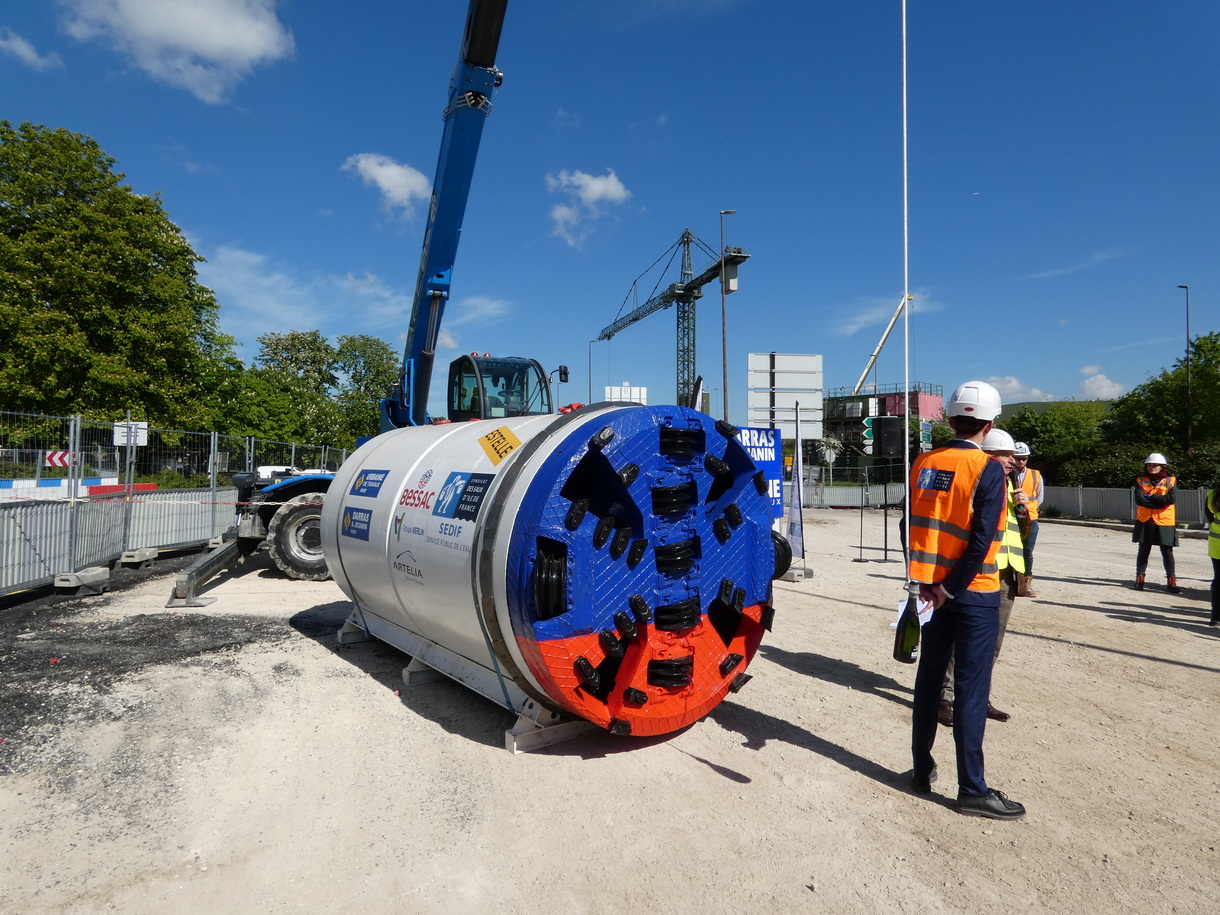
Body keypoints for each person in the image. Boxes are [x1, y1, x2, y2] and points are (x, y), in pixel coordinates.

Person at [908, 380, 1026, 821]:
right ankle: (972, 789)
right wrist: (951, 588)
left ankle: (921, 770)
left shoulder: (924, 461)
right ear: (990, 423)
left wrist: (927, 583)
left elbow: (912, 520)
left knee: (929, 679)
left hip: (930, 589)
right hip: (972, 593)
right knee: (971, 690)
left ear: (951, 418)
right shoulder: (989, 469)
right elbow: (980, 542)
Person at [938, 428, 1024, 727]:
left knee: (991, 643)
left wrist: (1027, 513)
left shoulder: (1010, 485)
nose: (1013, 461)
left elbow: (1014, 531)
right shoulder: (975, 480)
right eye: (1006, 455)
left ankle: (977, 696)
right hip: (975, 574)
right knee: (958, 642)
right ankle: (945, 697)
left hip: (1006, 573)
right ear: (987, 454)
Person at [1132, 453, 1180, 593]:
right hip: (1145, 520)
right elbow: (1140, 500)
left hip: (1164, 521)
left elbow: (1170, 500)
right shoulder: (1141, 480)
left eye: (1155, 465)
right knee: (1143, 550)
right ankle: (1139, 579)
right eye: (1149, 465)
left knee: (1167, 552)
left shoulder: (1170, 481)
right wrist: (1159, 502)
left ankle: (1171, 581)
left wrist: (1152, 497)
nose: (1152, 467)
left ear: (1162, 467)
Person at [1011, 441, 1042, 598]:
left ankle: (1025, 584)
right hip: (1011, 518)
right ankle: (1011, 582)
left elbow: (1039, 498)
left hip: (1030, 519)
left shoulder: (1035, 475)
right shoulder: (1006, 473)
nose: (1020, 461)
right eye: (1017, 458)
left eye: (1024, 458)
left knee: (1027, 551)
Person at [1207, 485, 1220, 626]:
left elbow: (1210, 518)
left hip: (1217, 544)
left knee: (1218, 580)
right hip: (1218, 544)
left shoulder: (1213, 494)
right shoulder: (1212, 494)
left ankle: (1215, 616)